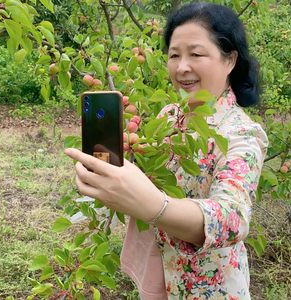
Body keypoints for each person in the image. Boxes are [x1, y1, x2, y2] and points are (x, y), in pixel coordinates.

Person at [65, 2, 268, 299]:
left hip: (209, 289)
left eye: (196, 54)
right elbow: (151, 175)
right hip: (160, 274)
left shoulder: (242, 133)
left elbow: (231, 217)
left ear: (230, 60)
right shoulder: (169, 116)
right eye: (174, 55)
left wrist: (154, 206)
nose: (181, 66)